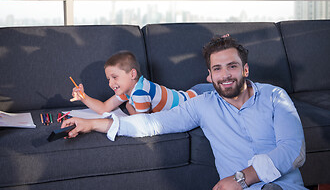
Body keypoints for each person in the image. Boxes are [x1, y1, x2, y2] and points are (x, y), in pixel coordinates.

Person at [62, 35, 306, 190]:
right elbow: (151, 124)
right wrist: (94, 124)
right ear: (210, 74)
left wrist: (242, 178)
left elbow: (294, 151)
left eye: (232, 66)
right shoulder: (202, 105)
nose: (226, 75)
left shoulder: (276, 96)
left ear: (245, 69)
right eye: (217, 69)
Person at [70, 50, 213, 115]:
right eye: (108, 79)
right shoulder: (129, 89)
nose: (110, 83)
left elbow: (142, 122)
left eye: (115, 77)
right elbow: (104, 108)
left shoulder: (139, 92)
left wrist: (128, 106)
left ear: (132, 74)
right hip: (194, 93)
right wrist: (83, 97)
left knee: (234, 92)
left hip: (197, 98)